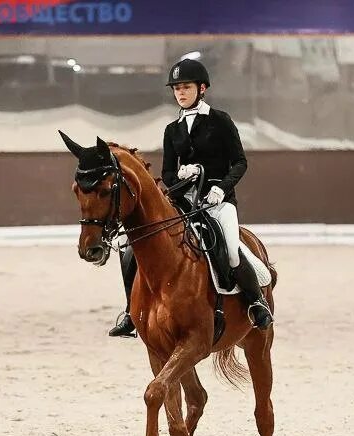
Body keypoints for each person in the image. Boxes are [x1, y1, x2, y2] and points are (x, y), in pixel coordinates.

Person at [108, 58, 273, 337]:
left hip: (218, 202)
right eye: (177, 89)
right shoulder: (172, 130)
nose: (181, 93)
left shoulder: (220, 121)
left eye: (186, 87)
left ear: (202, 88)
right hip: (183, 203)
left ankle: (256, 303)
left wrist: (221, 188)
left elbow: (240, 162)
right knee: (131, 250)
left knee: (230, 248)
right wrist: (180, 177)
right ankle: (130, 313)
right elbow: (167, 173)